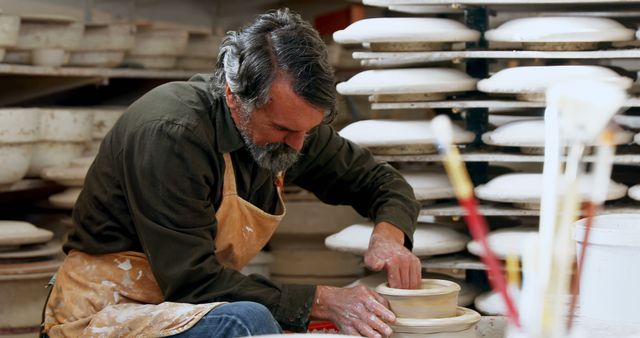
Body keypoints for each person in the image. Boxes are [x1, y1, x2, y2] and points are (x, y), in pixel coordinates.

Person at [42, 8, 421, 338]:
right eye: (285, 130)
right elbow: (192, 282)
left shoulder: (292, 128)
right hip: (107, 312)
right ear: (233, 96)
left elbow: (383, 183)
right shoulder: (173, 133)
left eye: (308, 129)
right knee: (247, 322)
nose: (299, 146)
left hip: (181, 304)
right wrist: (323, 300)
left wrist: (389, 234)